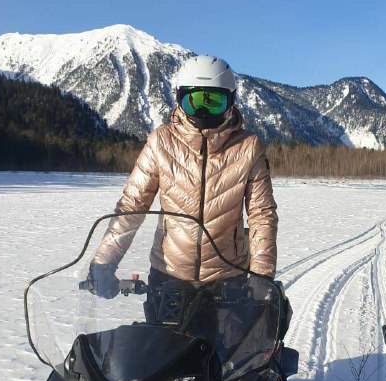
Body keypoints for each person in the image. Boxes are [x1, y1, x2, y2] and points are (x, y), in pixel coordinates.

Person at [86, 55, 278, 316]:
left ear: (230, 101)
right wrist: (104, 262)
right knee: (160, 354)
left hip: (227, 277)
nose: (203, 112)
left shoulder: (247, 146)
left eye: (214, 102)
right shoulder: (161, 141)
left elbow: (261, 214)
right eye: (195, 101)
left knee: (223, 355)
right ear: (180, 99)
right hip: (168, 275)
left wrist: (261, 275)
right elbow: (132, 205)